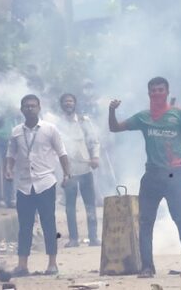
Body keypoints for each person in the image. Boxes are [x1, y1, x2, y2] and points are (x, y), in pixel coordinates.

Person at [109, 77, 181, 277]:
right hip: (152, 175)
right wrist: (111, 111)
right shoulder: (143, 117)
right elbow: (114, 128)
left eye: (160, 90)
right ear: (148, 94)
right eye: (153, 91)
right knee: (145, 222)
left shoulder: (179, 114)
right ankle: (147, 267)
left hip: (176, 174)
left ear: (167, 92)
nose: (156, 93)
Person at [5, 94, 72, 276]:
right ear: (21, 109)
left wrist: (67, 173)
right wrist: (8, 169)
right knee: (24, 226)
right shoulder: (16, 131)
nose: (30, 109)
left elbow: (62, 152)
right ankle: (22, 265)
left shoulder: (50, 129)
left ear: (39, 107)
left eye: (33, 106)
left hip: (45, 182)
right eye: (26, 106)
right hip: (24, 185)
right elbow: (10, 154)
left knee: (48, 223)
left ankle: (52, 263)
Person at [57, 93, 101, 247]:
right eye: (65, 101)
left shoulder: (84, 121)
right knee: (70, 206)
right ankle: (73, 239)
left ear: (75, 104)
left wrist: (95, 157)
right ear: (61, 105)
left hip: (85, 169)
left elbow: (94, 141)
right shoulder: (56, 124)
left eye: (70, 101)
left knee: (90, 204)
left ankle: (94, 238)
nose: (68, 103)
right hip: (68, 170)